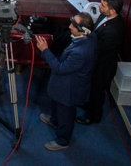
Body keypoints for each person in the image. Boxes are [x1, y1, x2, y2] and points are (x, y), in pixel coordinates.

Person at [36, 12, 96, 151]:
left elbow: (59, 68)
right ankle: (54, 120)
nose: (69, 27)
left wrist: (45, 50)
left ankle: (63, 140)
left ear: (82, 31)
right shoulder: (88, 38)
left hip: (69, 90)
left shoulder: (80, 52)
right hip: (63, 86)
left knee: (66, 115)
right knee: (57, 107)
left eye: (73, 25)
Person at [78, 0, 125, 125]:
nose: (99, 6)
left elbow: (100, 50)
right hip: (97, 62)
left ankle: (93, 116)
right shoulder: (105, 16)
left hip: (102, 67)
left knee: (97, 91)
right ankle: (90, 105)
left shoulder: (113, 31)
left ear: (113, 10)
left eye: (103, 5)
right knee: (93, 90)